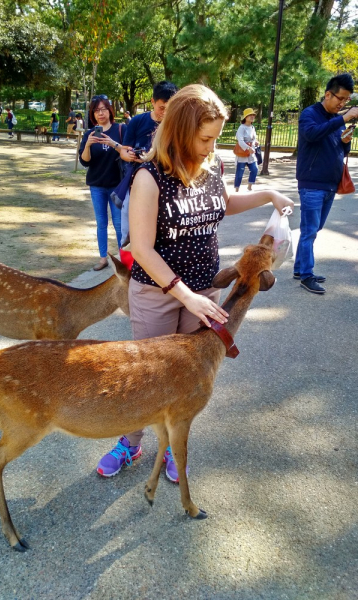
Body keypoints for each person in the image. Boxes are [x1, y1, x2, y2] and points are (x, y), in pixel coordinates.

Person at [96, 84, 294, 480]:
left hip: (205, 290)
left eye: (216, 138)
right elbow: (144, 249)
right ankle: (130, 444)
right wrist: (185, 297)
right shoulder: (148, 178)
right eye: (205, 138)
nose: (211, 146)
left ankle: (170, 446)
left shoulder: (209, 168)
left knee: (186, 379)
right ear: (182, 130)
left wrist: (269, 194)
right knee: (146, 377)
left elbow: (223, 205)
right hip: (160, 293)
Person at [294, 73, 358, 294]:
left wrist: (345, 142)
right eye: (340, 98)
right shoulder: (310, 114)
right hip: (312, 183)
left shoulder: (335, 120)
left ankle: (300, 268)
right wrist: (343, 118)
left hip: (330, 184)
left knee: (314, 228)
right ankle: (306, 276)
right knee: (310, 230)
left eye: (346, 100)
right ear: (328, 94)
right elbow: (311, 135)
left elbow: (338, 150)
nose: (342, 104)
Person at [118, 81, 178, 246]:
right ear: (152, 101)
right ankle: (128, 266)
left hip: (167, 187)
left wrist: (152, 157)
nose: (165, 113)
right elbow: (124, 151)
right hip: (137, 184)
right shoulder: (137, 121)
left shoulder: (176, 125)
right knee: (128, 232)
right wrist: (130, 155)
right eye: (161, 108)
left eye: (170, 108)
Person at [79, 95, 127, 270]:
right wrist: (88, 145)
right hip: (97, 185)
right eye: (96, 110)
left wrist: (113, 143)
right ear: (93, 113)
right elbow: (85, 162)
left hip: (116, 185)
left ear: (110, 110)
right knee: (101, 223)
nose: (100, 113)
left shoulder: (120, 129)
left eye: (103, 109)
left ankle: (124, 258)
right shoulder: (89, 134)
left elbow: (128, 152)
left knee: (119, 223)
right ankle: (103, 258)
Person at [234, 108, 259, 192]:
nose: (252, 117)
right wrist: (248, 148)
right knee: (239, 174)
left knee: (255, 169)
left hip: (251, 153)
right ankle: (237, 189)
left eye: (253, 115)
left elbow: (254, 138)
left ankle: (249, 186)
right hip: (243, 153)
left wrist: (255, 142)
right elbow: (240, 141)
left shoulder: (252, 127)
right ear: (245, 117)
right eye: (250, 115)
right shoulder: (242, 128)